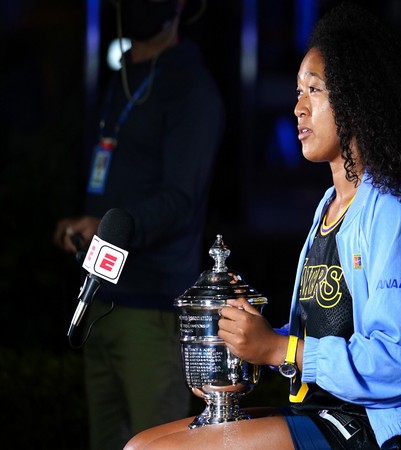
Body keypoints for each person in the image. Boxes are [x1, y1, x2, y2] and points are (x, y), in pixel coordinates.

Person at [124, 2, 401, 449]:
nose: (297, 107)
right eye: (298, 90)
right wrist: (244, 344)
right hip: (320, 413)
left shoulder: (396, 209)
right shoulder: (329, 207)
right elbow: (313, 341)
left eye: (313, 90)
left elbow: (400, 361)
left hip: (370, 430)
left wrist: (283, 350)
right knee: (141, 444)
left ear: (357, 101)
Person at [53, 0, 224, 448]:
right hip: (101, 298)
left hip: (152, 309)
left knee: (155, 443)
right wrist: (84, 224)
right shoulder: (123, 76)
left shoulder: (191, 87)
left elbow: (180, 200)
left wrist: (110, 226)